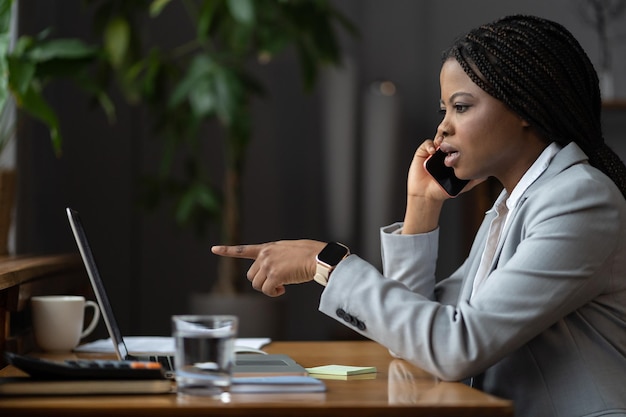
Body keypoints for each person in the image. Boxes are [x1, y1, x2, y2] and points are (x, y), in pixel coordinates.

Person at [212, 15, 626, 416]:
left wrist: (326, 264)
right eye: (443, 109)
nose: (442, 128)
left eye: (461, 107)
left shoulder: (579, 200)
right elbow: (414, 340)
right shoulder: (514, 204)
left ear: (524, 106)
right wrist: (421, 205)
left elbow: (455, 347)